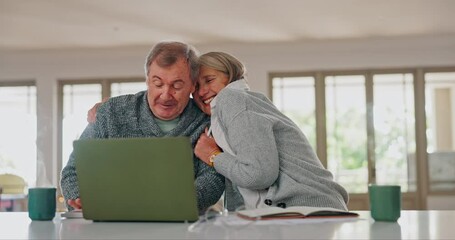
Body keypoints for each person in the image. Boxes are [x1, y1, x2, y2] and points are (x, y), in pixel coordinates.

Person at [60, 41, 225, 213]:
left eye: (176, 85)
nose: (165, 94)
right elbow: (73, 171)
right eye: (158, 83)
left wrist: (174, 203)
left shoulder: (205, 122)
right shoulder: (110, 113)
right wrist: (79, 199)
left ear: (192, 85)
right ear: (147, 80)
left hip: (182, 227)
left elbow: (212, 179)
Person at [192, 52, 349, 211]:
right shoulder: (240, 105)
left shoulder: (232, 98)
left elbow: (257, 175)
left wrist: (212, 155)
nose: (202, 92)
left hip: (306, 209)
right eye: (196, 87)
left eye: (210, 80)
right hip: (307, 210)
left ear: (230, 76)